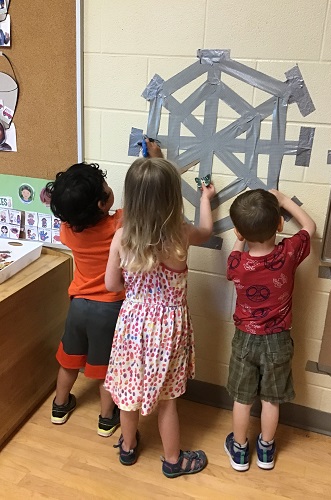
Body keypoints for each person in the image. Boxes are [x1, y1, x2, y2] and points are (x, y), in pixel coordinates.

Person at [104, 140, 216, 477]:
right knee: (167, 400)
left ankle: (127, 447)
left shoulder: (121, 237)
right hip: (168, 328)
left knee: (126, 392)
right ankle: (172, 461)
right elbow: (209, 231)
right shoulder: (180, 235)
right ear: (173, 198)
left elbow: (111, 285)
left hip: (132, 325)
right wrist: (206, 199)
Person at [224, 188, 316, 472]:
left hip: (245, 340)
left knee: (242, 398)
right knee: (271, 399)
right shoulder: (289, 253)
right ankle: (265, 449)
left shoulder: (237, 264)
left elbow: (233, 260)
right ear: (279, 224)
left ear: (238, 233)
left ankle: (239, 451)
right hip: (278, 341)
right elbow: (309, 227)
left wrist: (239, 242)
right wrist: (286, 201)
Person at [45, 163, 125, 437]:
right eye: (105, 188)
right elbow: (144, 206)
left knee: (69, 360)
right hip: (109, 308)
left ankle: (59, 405)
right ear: (103, 204)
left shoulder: (69, 229)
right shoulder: (118, 225)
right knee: (105, 367)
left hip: (78, 305)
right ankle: (105, 418)